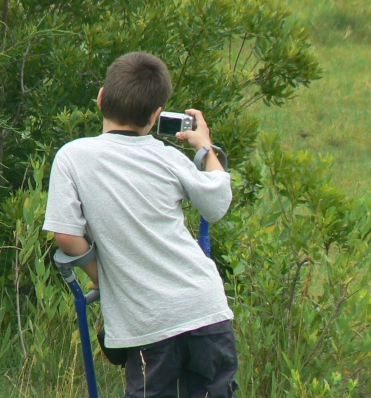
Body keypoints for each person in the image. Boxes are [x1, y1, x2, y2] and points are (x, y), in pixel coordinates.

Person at [43, 52, 238, 398]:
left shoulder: (72, 157)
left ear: (102, 97)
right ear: (157, 116)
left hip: (148, 322)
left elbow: (67, 236)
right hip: (206, 310)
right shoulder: (167, 157)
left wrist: (104, 278)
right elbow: (217, 203)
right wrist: (205, 147)